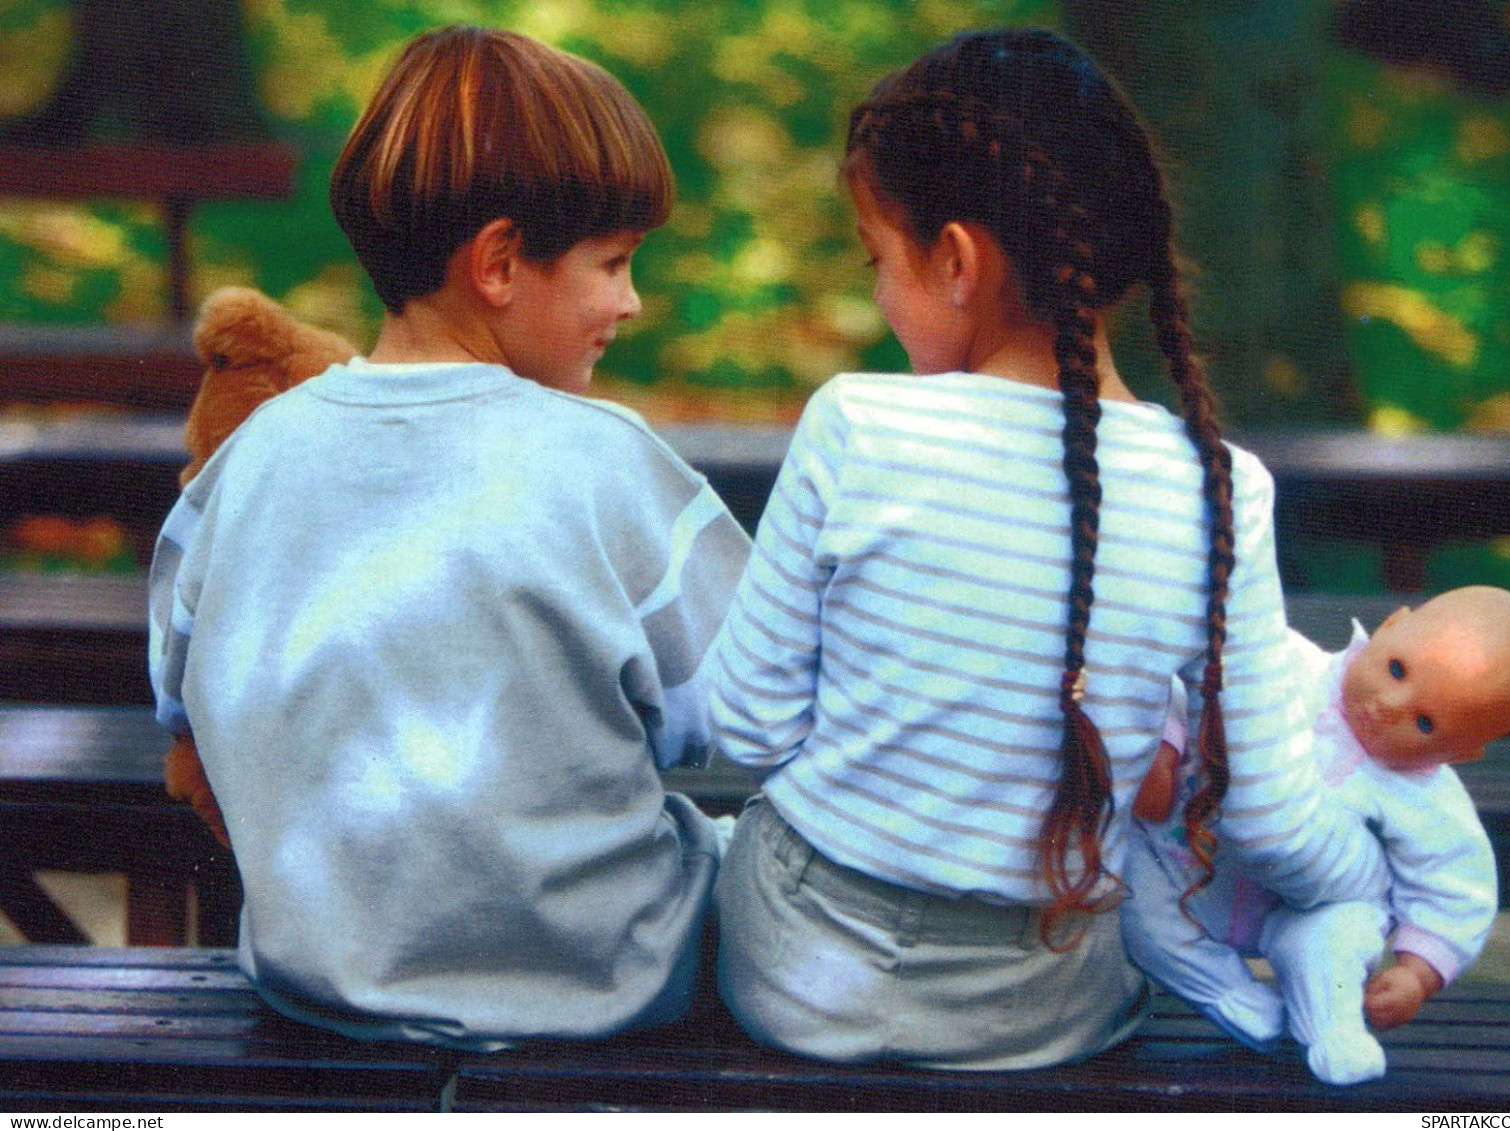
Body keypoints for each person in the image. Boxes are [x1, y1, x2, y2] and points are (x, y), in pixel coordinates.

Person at [708, 26, 1385, 1071]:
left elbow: (746, 728)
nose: (878, 294)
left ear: (955, 259)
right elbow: (1267, 811)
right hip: (1040, 1009)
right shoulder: (1217, 491)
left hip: (799, 974)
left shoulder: (856, 425)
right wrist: (1374, 895)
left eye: (875, 257)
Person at [147, 26, 750, 1050]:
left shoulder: (248, 463)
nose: (630, 301)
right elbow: (752, 703)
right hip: (605, 979)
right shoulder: (606, 461)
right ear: (501, 263)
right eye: (612, 263)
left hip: (320, 976)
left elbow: (178, 687)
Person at [1125, 586, 1510, 1084]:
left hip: (1307, 908)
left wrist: (1417, 973)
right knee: (1137, 906)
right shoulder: (1282, 662)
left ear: (1458, 754)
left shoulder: (1425, 793)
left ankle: (1332, 1026)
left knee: (1339, 938)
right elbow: (1192, 682)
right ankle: (1226, 995)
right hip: (1181, 861)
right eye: (1397, 669)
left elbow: (1457, 880)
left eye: (1426, 722)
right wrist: (1166, 749)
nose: (1390, 706)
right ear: (1390, 627)